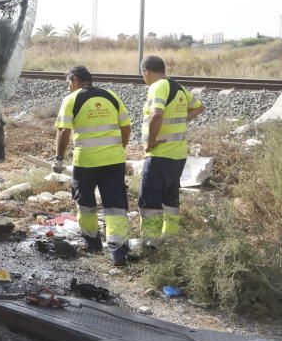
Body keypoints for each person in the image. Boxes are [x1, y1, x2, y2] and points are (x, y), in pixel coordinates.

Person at [54, 65, 133, 265]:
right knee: (116, 206)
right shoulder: (111, 96)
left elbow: (63, 132)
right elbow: (126, 126)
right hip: (114, 161)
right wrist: (119, 148)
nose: (67, 88)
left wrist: (59, 158)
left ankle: (93, 245)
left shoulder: (71, 99)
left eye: (68, 83)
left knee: (86, 204)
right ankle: (118, 253)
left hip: (86, 162)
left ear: (74, 80)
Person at [138, 55, 205, 247]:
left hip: (159, 154)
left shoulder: (157, 87)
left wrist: (151, 141)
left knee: (150, 200)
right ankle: (170, 239)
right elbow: (199, 107)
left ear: (146, 72)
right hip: (178, 156)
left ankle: (151, 243)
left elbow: (157, 114)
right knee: (170, 200)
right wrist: (180, 120)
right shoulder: (178, 87)